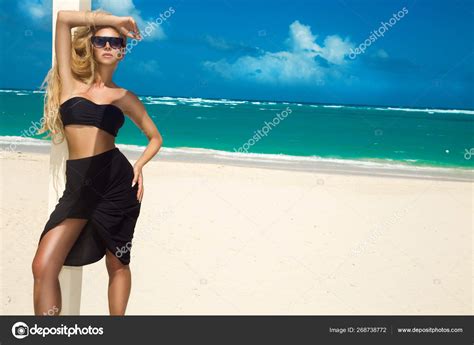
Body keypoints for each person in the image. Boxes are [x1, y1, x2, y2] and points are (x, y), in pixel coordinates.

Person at [32, 9, 163, 316]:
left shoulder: (125, 97)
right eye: (101, 40)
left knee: (117, 263)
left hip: (115, 182)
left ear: (122, 52)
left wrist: (139, 165)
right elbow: (64, 19)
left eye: (115, 42)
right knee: (43, 265)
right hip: (79, 185)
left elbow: (155, 138)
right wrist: (118, 22)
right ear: (91, 45)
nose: (108, 46)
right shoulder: (69, 85)